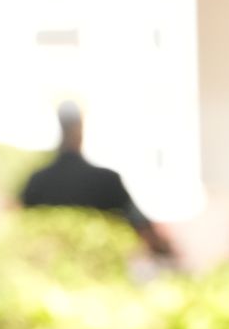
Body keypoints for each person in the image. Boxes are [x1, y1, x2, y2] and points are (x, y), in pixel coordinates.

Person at [19, 102, 177, 264]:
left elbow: (18, 233)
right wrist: (167, 250)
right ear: (79, 129)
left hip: (46, 276)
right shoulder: (107, 182)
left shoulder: (37, 183)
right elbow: (142, 227)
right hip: (100, 274)